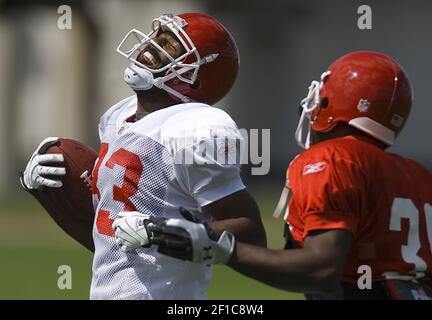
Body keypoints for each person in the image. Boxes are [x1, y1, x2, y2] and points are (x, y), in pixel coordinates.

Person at [122, 51, 432, 299]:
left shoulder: (332, 160)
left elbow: (321, 271)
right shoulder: (418, 175)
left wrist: (219, 247)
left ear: (331, 100)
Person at [20, 13, 266, 300]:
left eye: (170, 45)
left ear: (196, 75)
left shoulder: (195, 128)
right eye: (156, 37)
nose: (150, 45)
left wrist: (166, 233)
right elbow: (112, 241)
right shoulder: (116, 117)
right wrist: (46, 195)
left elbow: (250, 232)